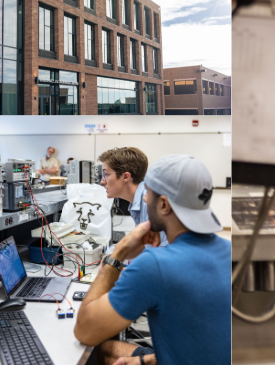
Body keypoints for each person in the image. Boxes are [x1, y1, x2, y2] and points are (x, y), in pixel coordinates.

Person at [75, 155, 230, 365]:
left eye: (148, 193)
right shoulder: (230, 251)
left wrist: (119, 253)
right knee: (108, 350)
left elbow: (85, 331)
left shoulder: (155, 265)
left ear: (164, 205)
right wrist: (145, 360)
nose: (145, 199)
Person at [98, 147, 149, 224]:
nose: (102, 182)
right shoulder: (138, 202)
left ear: (126, 177)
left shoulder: (148, 204)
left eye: (106, 174)